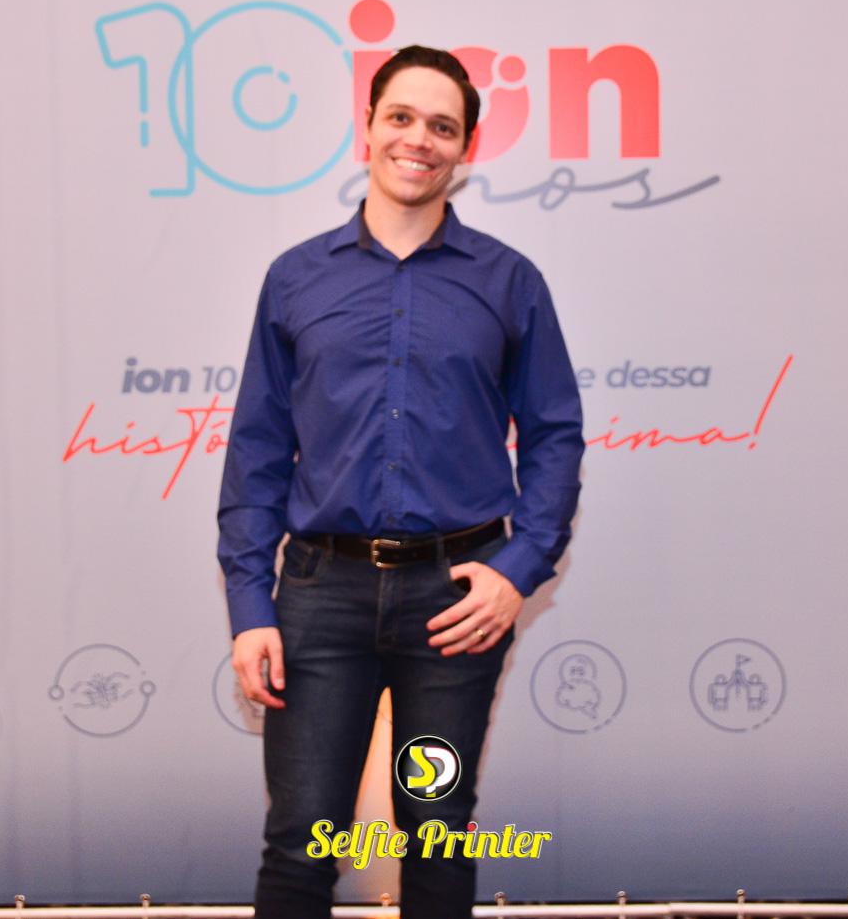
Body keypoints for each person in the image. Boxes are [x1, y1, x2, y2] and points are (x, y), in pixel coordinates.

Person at [216, 45, 584, 919]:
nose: (419, 139)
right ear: (369, 128)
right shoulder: (297, 277)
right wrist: (250, 605)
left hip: (456, 607)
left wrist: (518, 569)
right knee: (302, 843)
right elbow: (258, 449)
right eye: (402, 118)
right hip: (319, 601)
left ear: (466, 148)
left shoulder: (509, 281)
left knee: (437, 833)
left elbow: (555, 436)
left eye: (442, 126)